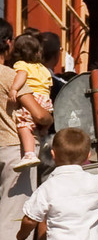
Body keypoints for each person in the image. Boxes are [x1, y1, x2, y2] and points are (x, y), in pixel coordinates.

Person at [0, 22, 53, 240]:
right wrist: (46, 117)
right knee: (14, 218)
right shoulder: (14, 76)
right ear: (7, 43)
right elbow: (40, 116)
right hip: (12, 150)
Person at [9, 33, 51, 171]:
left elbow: (22, 75)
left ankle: (29, 154)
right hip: (45, 100)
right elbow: (48, 86)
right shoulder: (44, 69)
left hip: (33, 97)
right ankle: (43, 137)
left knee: (23, 125)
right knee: (38, 126)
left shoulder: (20, 65)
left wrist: (14, 89)